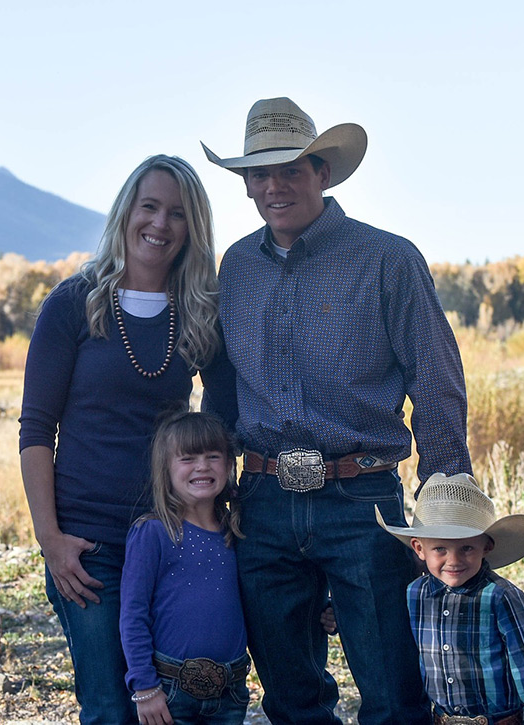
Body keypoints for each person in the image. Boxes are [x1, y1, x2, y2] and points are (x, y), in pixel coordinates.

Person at [201, 96, 472, 724]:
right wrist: (213, 493)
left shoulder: (388, 259)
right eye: (258, 174)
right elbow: (222, 387)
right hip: (262, 503)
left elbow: (435, 380)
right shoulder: (236, 266)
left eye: (290, 169)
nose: (273, 186)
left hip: (362, 502)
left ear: (323, 172)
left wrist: (443, 504)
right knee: (291, 699)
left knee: (394, 694)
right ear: (245, 186)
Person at [19, 154, 236, 724]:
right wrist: (50, 538)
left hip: (171, 537)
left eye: (178, 214)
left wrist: (215, 511)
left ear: (194, 229)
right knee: (112, 707)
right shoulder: (72, 303)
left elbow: (223, 420)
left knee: (172, 705)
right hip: (87, 544)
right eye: (150, 207)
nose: (161, 225)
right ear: (126, 213)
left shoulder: (198, 313)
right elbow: (37, 429)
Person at [376, 472, 524, 725]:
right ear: (419, 549)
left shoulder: (501, 596)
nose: (454, 561)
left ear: (486, 547)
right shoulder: (415, 594)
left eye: (467, 548)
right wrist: (336, 616)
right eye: (440, 549)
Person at [120, 409, 249, 725]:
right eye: (188, 458)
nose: (202, 466)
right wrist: (145, 687)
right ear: (165, 469)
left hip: (230, 690)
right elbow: (133, 615)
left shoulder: (238, 531)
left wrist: (321, 610)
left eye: (213, 456)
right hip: (169, 690)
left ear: (230, 464)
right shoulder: (153, 532)